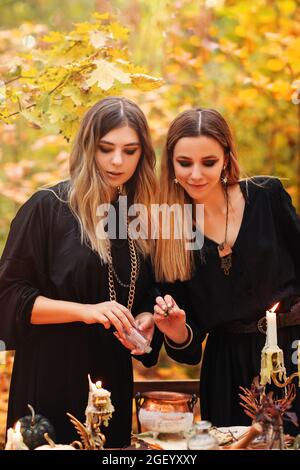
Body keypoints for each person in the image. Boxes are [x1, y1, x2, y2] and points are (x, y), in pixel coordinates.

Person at [0, 96, 162, 448]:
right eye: (106, 149)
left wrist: (147, 317)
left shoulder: (139, 217)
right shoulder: (47, 207)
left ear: (142, 155)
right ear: (89, 147)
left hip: (112, 380)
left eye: (129, 150)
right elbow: (9, 297)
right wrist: (85, 312)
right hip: (50, 378)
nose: (117, 161)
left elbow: (146, 291)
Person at [152, 108, 300, 432]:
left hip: (293, 355)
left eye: (208, 162)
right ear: (171, 164)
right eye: (184, 163)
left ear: (226, 159)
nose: (196, 174)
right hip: (227, 373)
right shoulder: (168, 234)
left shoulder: (267, 197)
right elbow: (188, 348)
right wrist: (176, 327)